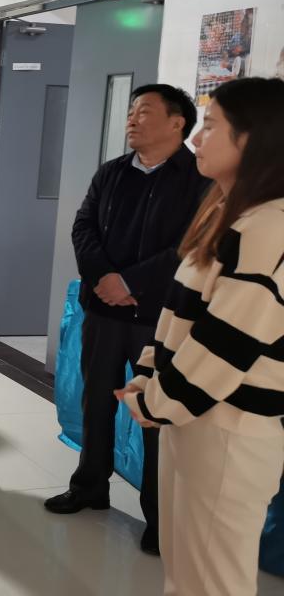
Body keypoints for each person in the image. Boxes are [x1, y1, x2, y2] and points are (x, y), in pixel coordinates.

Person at [117, 76, 284, 596]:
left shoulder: (270, 228)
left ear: (253, 140)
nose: (196, 138)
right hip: (193, 420)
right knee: (186, 575)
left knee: (212, 583)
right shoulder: (229, 213)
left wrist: (157, 401)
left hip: (228, 430)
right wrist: (148, 378)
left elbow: (227, 345)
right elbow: (178, 318)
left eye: (210, 126)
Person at [45, 84, 209, 556]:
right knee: (96, 401)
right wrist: (103, 277)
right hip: (103, 311)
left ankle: (159, 516)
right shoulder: (113, 172)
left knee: (155, 413)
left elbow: (190, 246)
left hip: (158, 317)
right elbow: (84, 227)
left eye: (145, 112)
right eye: (131, 111)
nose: (132, 119)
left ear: (177, 122)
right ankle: (89, 486)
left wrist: (130, 283)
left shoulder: (198, 179)